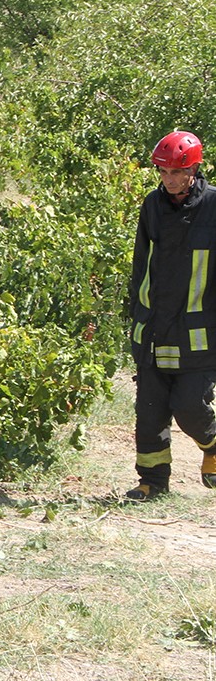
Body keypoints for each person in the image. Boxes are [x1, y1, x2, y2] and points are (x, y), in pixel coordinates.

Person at [127, 130, 216, 501]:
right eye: (163, 172)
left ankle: (212, 446)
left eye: (177, 172)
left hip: (198, 333)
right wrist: (136, 315)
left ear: (193, 168)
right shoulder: (152, 205)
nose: (170, 180)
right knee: (150, 412)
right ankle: (152, 482)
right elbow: (140, 266)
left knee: (190, 408)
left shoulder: (213, 206)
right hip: (152, 329)